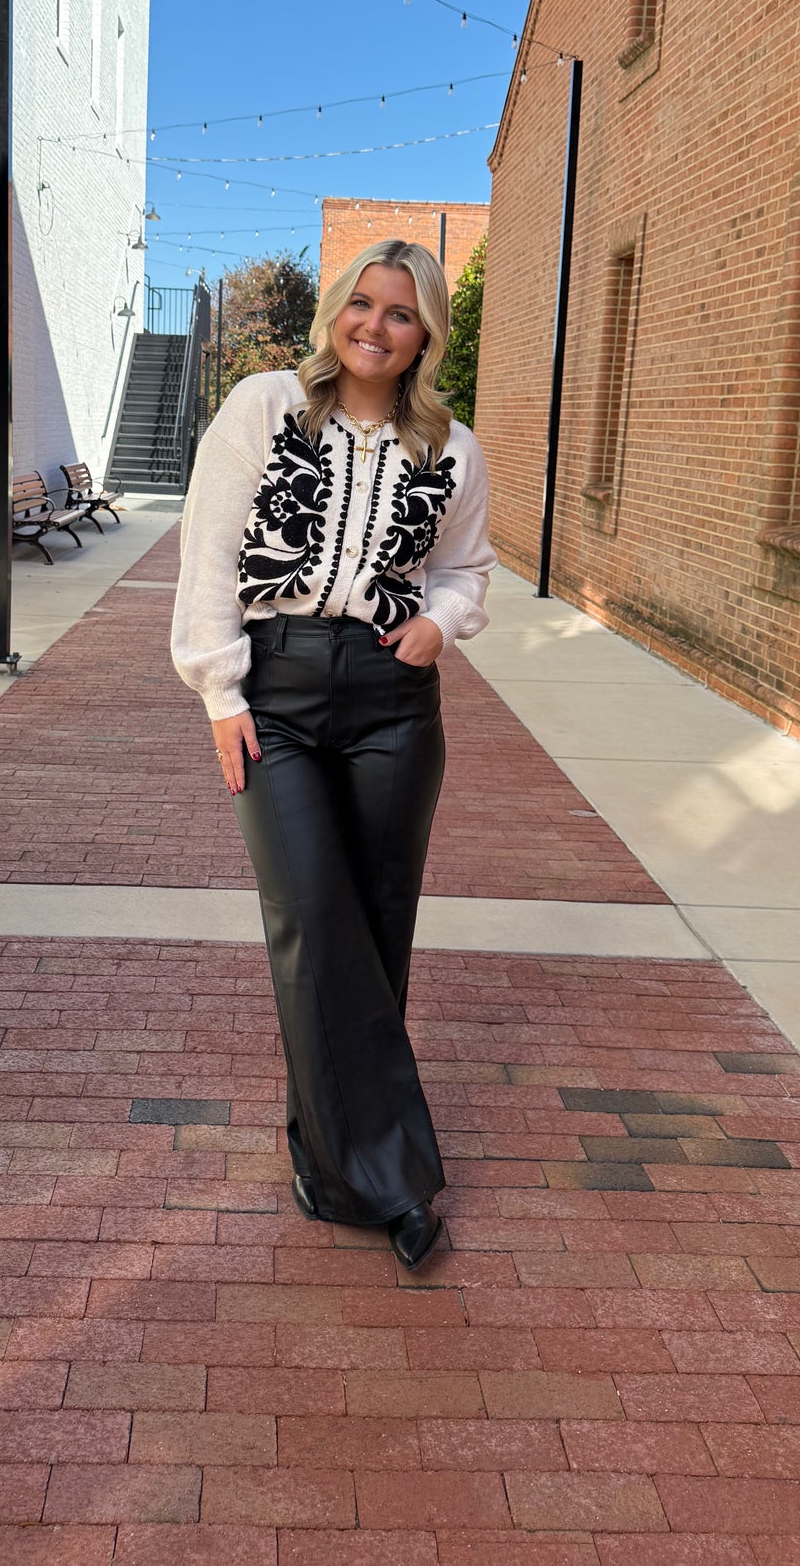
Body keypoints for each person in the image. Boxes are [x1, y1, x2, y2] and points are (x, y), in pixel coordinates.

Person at [170, 238, 496, 1270]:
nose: (375, 325)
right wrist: (218, 691)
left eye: (400, 312)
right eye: (361, 303)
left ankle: (331, 1158)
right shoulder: (265, 407)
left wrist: (438, 626)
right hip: (278, 690)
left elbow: (467, 568)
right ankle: (391, 1179)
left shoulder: (451, 445)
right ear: (335, 313)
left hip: (395, 702)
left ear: (424, 334)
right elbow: (208, 549)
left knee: (376, 923)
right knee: (312, 918)